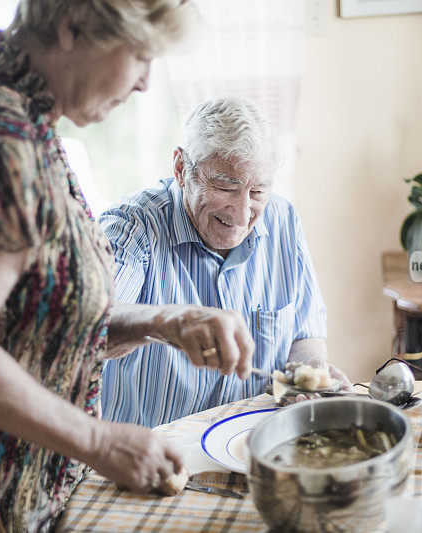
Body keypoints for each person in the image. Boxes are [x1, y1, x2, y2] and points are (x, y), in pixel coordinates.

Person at [0, 2, 256, 531]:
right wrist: (99, 441)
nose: (148, 81)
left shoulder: (15, 110)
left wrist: (162, 323)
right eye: (141, 54)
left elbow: (28, 315)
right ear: (72, 25)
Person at [99, 96, 352, 428]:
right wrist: (165, 321)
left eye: (258, 192)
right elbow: (87, 324)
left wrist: (309, 374)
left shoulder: (283, 220)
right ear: (181, 169)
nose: (243, 214)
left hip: (252, 447)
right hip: (152, 458)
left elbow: (305, 334)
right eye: (225, 187)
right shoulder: (133, 226)